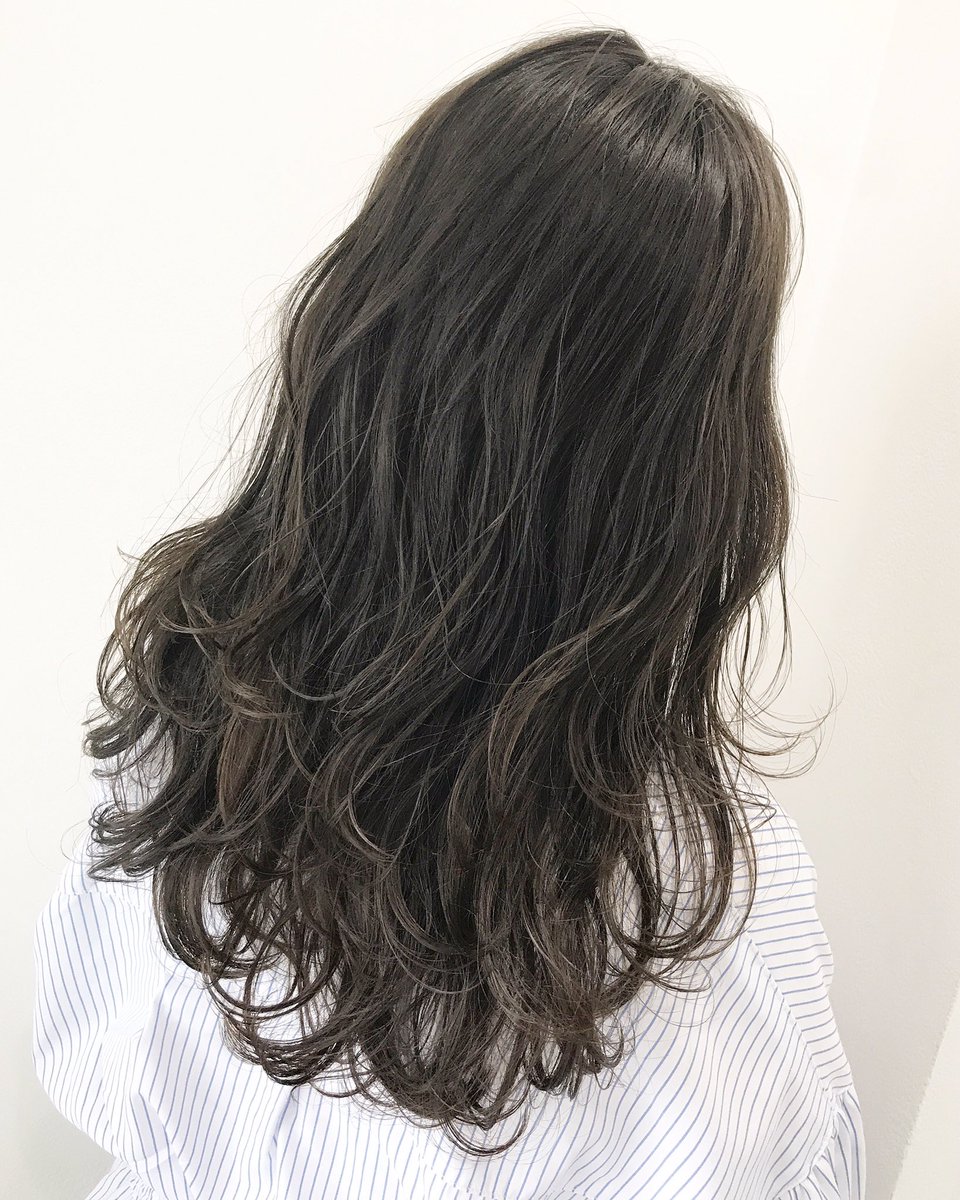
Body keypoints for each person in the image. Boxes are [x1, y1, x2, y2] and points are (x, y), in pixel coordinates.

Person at [32, 26, 865, 1199]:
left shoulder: (191, 696)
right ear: (696, 461)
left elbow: (91, 1062)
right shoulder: (699, 899)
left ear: (368, 325)